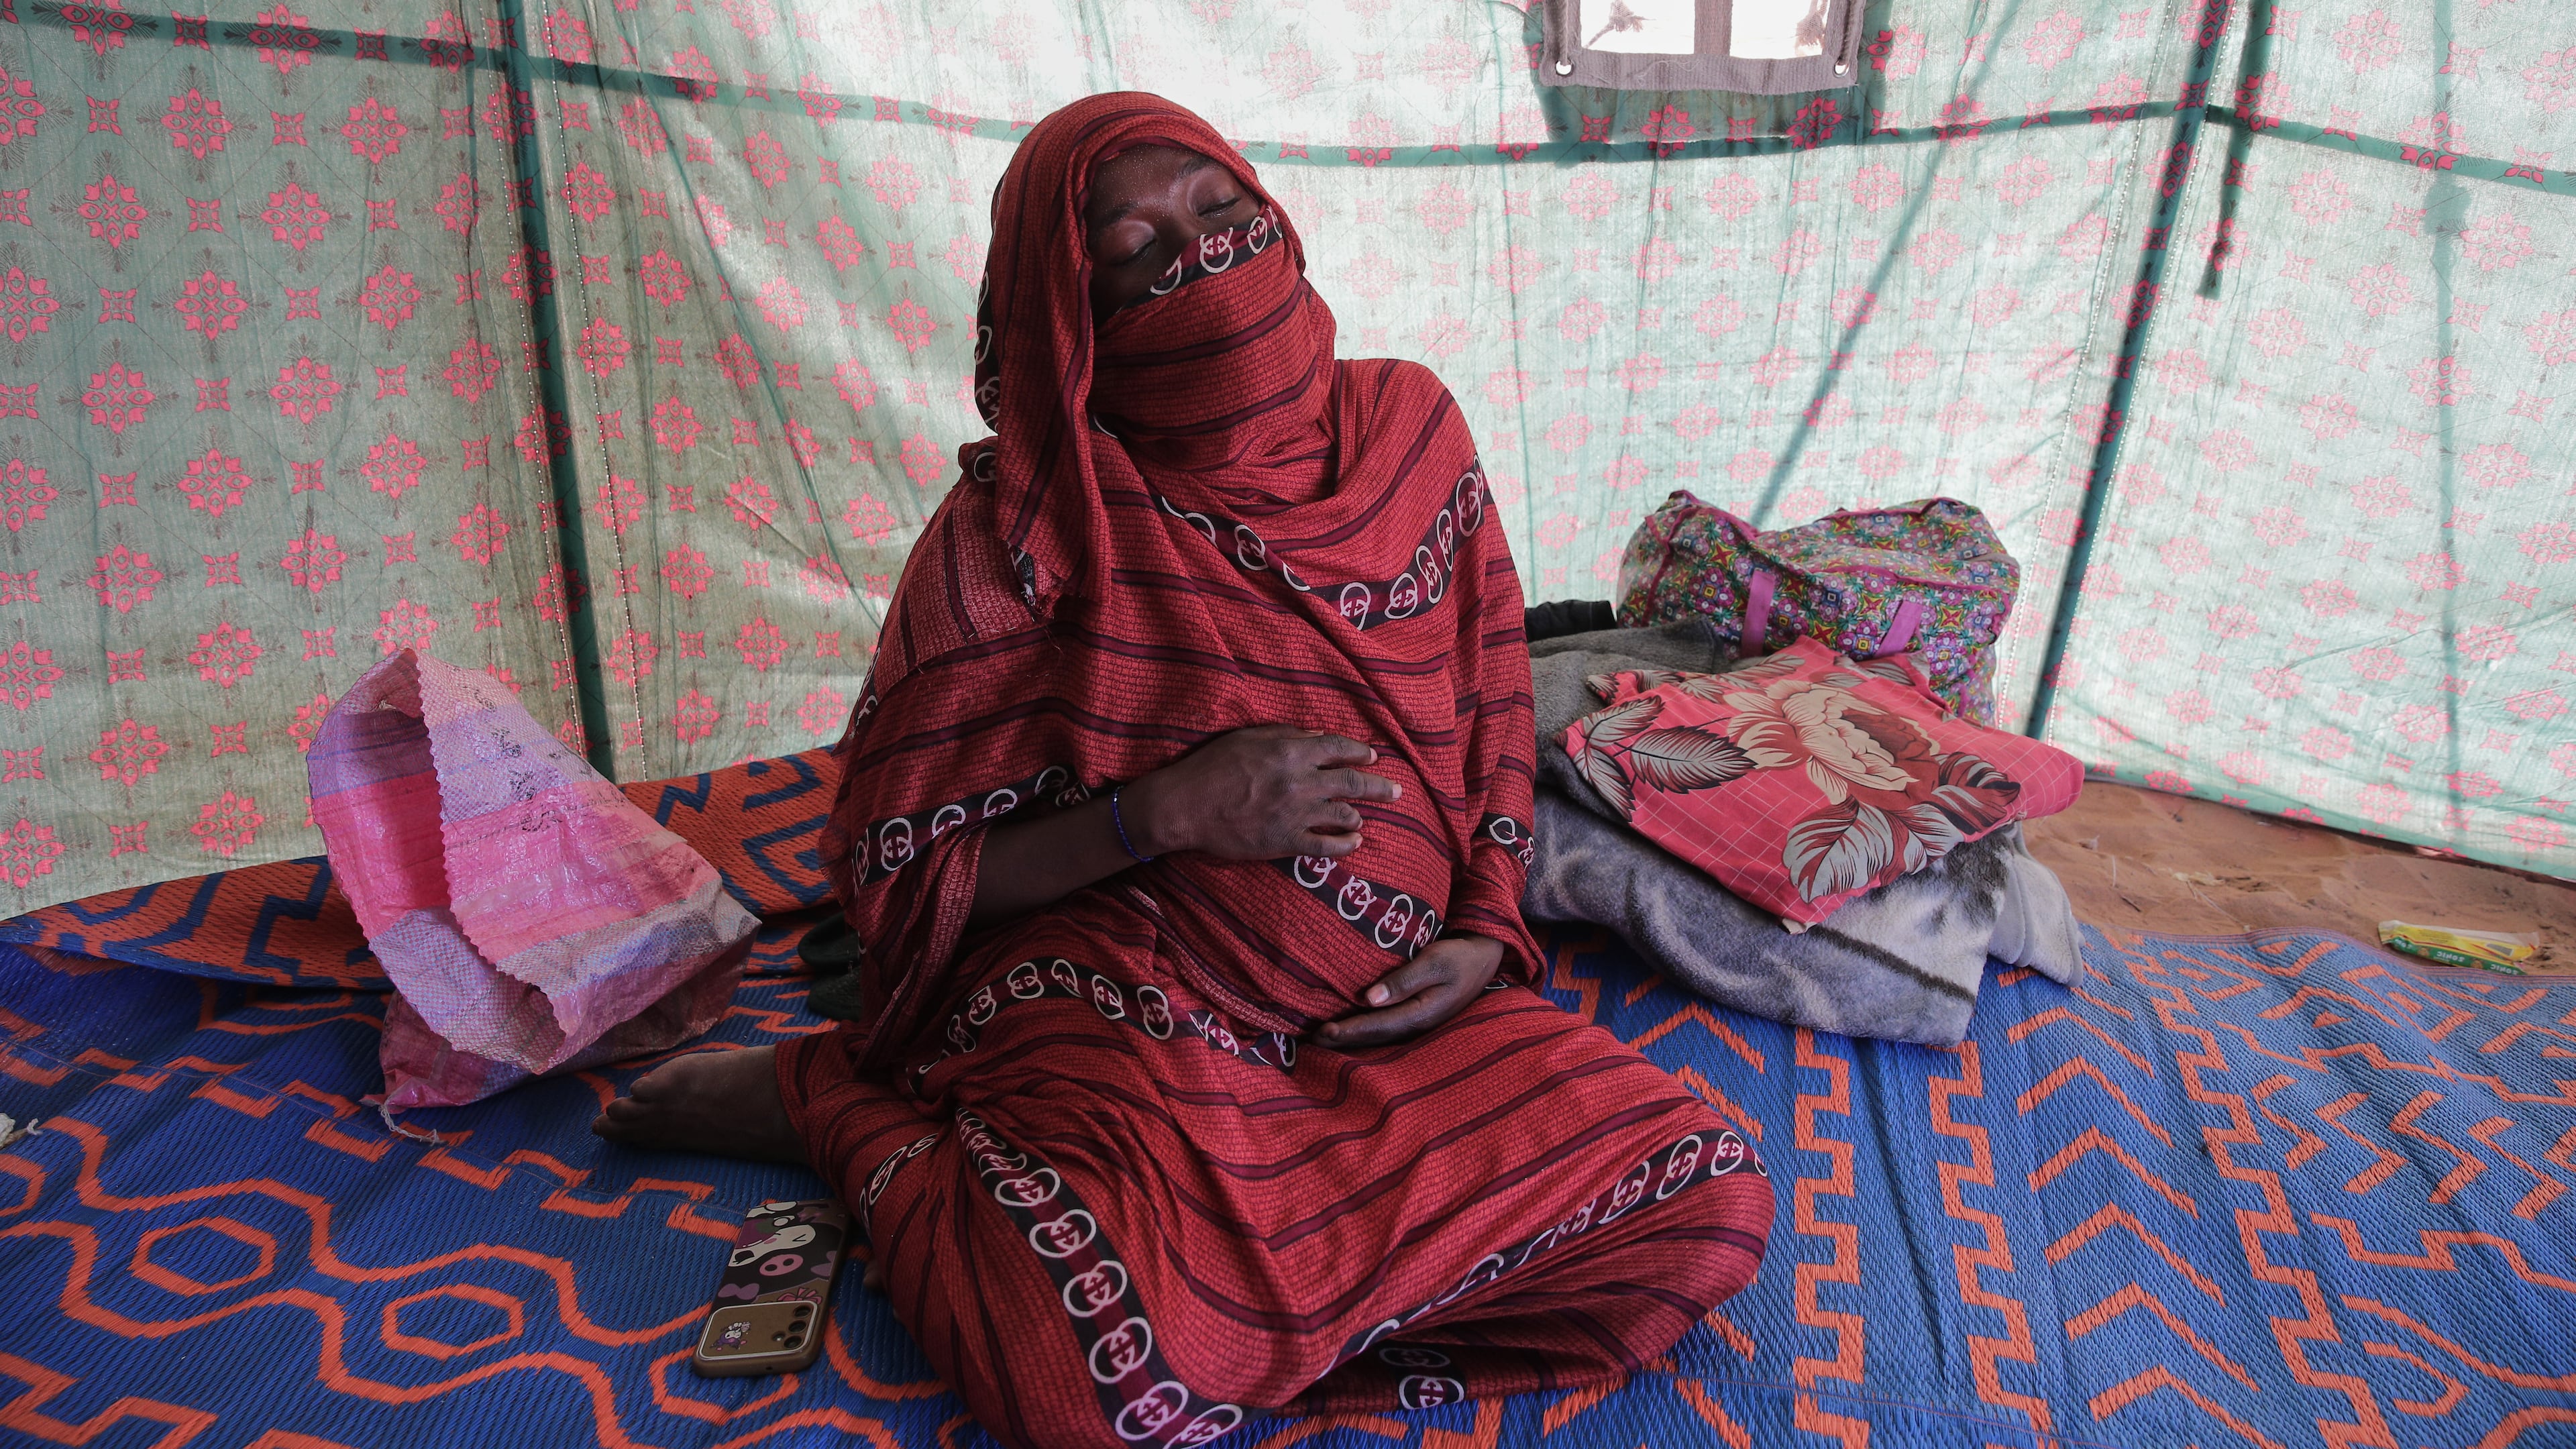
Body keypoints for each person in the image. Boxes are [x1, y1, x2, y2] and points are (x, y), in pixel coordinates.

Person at [596, 92, 1772, 1447]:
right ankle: (837, 1106)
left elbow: (1494, 703)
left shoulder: (1408, 431)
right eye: (1134, 248)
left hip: (1385, 1016)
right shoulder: (1022, 529)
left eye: (1222, 214)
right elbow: (899, 880)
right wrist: (1159, 814)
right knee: (1088, 1378)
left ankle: (1250, 1317)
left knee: (1705, 1201)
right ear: (1067, 310)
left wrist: (1481, 932)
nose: (1200, 260)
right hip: (1125, 999)